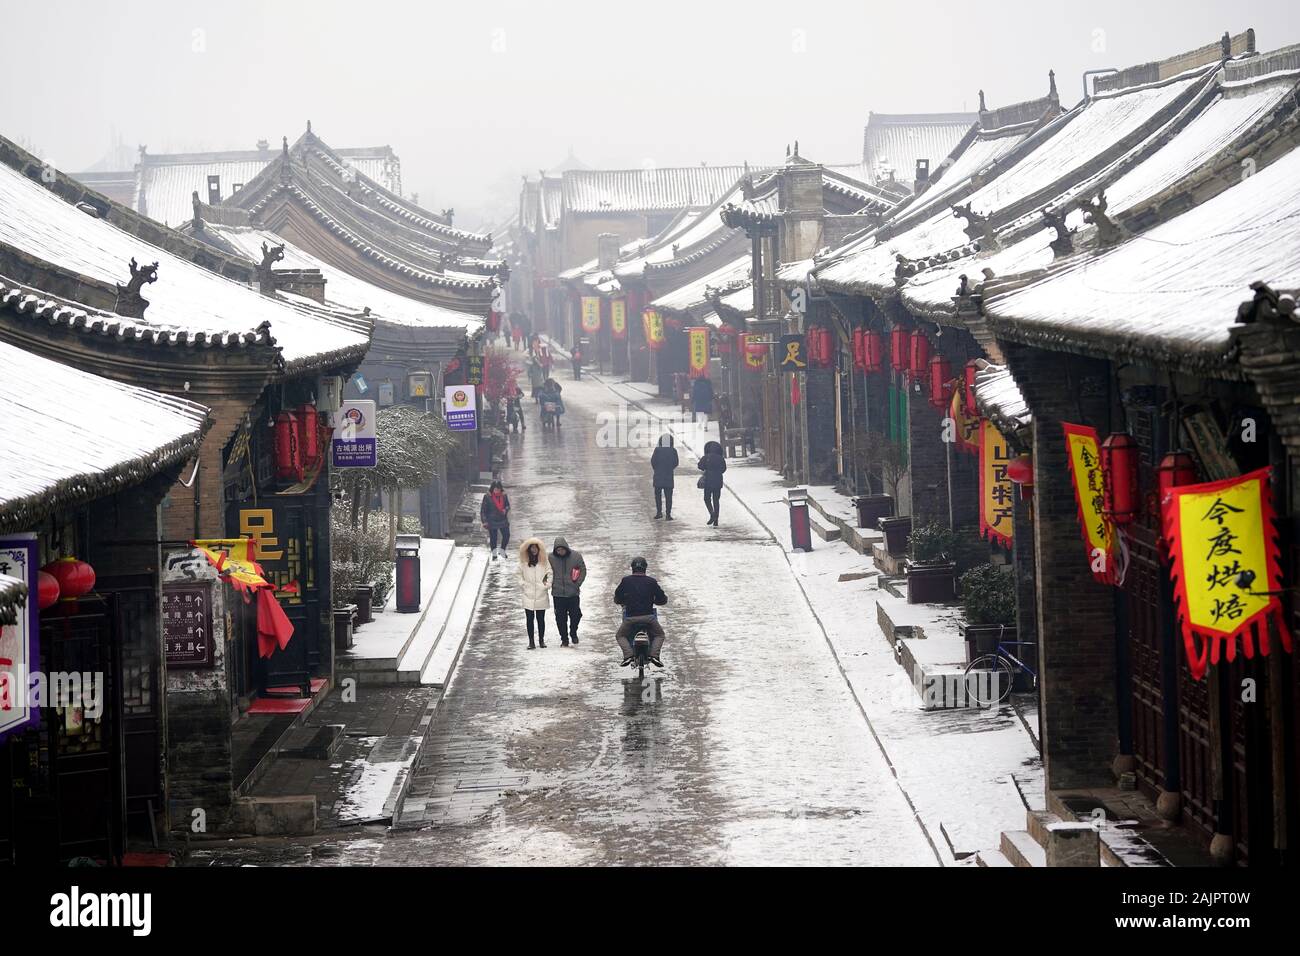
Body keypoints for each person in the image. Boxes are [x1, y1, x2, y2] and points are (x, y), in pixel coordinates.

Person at [613, 556, 668, 667]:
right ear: (645, 568)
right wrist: (655, 601)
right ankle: (654, 655)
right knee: (659, 635)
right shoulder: (652, 582)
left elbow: (617, 598)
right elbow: (662, 599)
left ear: (632, 568)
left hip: (630, 618)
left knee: (620, 635)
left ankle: (628, 655)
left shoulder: (626, 581)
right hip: (649, 617)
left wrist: (624, 601)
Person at [548, 536, 587, 647]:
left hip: (573, 592)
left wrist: (577, 584)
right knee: (560, 618)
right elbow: (546, 571)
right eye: (558, 550)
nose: (560, 552)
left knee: (576, 615)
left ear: (566, 548)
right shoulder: (550, 558)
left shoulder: (576, 556)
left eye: (562, 549)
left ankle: (573, 632)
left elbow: (583, 570)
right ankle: (564, 638)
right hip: (558, 593)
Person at [517, 538, 552, 649]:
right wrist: (523, 584)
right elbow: (518, 574)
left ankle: (541, 640)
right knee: (529, 619)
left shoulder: (544, 561)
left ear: (538, 549)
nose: (533, 550)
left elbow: (550, 573)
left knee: (541, 619)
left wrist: (546, 585)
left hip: (541, 593)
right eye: (531, 548)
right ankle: (531, 642)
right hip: (528, 593)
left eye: (535, 548)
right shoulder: (523, 562)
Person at [698, 439, 727, 527]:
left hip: (708, 481)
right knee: (716, 500)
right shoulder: (720, 458)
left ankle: (712, 513)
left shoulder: (706, 457)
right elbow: (724, 469)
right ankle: (716, 520)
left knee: (707, 499)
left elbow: (700, 466)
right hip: (718, 481)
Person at [650, 433, 679, 520]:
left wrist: (657, 469)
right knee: (668, 496)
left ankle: (659, 512)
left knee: (658, 495)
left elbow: (653, 461)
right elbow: (676, 462)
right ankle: (668, 514)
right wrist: (670, 468)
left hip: (658, 476)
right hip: (668, 476)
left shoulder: (657, 450)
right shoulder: (673, 451)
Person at [480, 480, 511, 558]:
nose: (497, 491)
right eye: (495, 489)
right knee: (493, 538)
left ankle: (502, 550)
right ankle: (494, 555)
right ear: (492, 489)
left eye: (498, 489)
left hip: (502, 519)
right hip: (492, 520)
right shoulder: (487, 497)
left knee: (506, 535)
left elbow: (507, 505)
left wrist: (505, 510)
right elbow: (483, 510)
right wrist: (484, 521)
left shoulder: (504, 496)